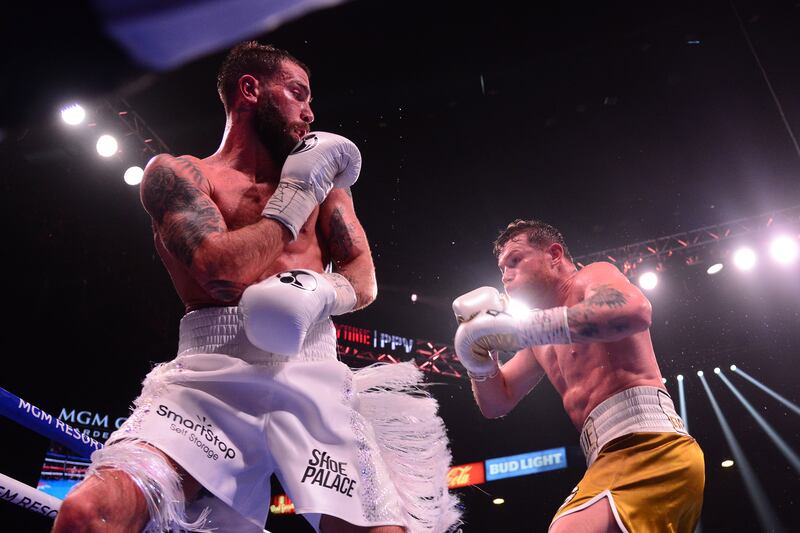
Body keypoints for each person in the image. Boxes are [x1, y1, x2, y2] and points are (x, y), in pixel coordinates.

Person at [53, 41, 460, 533]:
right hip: (210, 380)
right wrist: (293, 200)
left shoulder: (328, 189)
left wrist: (319, 292)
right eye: (297, 94)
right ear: (250, 90)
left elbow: (362, 275)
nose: (310, 113)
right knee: (88, 515)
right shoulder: (180, 174)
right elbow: (218, 270)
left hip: (313, 376)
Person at [452, 219, 704, 533]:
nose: (506, 274)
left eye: (515, 260)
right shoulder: (537, 340)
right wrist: (478, 360)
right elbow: (496, 403)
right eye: (502, 268)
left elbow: (635, 310)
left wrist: (525, 329)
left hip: (651, 447)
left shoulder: (591, 276)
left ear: (554, 255)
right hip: (609, 458)